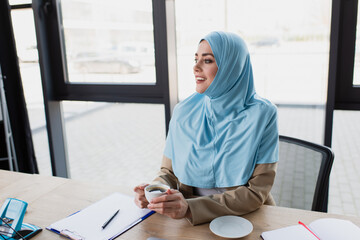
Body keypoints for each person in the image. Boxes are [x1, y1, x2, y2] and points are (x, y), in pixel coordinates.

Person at [134, 31, 279, 225]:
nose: (195, 67)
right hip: (189, 221)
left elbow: (255, 192)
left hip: (248, 219)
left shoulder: (263, 114)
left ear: (232, 67)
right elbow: (168, 173)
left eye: (207, 60)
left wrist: (191, 208)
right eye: (196, 59)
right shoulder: (183, 111)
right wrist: (156, 191)